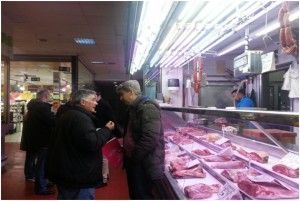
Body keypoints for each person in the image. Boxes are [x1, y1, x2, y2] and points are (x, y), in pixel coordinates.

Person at [46, 89, 115, 200]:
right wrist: (106, 130)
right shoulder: (81, 118)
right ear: (82, 102)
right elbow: (92, 143)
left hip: (67, 171)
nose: (96, 103)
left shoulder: (69, 114)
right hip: (79, 174)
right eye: (93, 100)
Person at [116, 80, 166, 199]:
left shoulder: (147, 107)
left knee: (142, 194)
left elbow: (150, 137)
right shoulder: (133, 108)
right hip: (136, 160)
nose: (120, 99)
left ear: (131, 92)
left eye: (122, 94)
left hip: (143, 161)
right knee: (136, 193)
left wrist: (135, 156)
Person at [20, 89, 55, 195]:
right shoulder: (43, 108)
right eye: (50, 95)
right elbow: (51, 122)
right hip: (42, 140)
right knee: (42, 163)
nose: (51, 96)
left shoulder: (32, 107)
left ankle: (31, 176)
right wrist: (54, 113)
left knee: (31, 158)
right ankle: (41, 187)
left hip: (32, 139)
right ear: (45, 96)